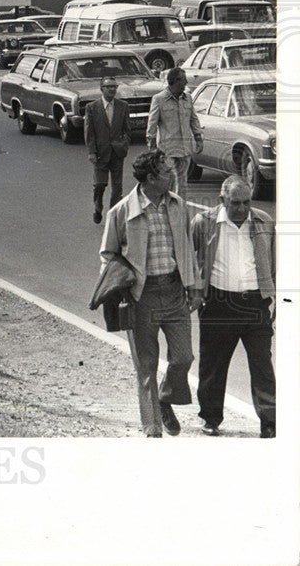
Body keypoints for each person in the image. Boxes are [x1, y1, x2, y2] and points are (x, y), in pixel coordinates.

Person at [100, 150, 202, 438]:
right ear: (150, 179)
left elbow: (185, 248)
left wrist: (193, 287)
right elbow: (107, 255)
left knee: (183, 357)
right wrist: (119, 291)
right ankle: (152, 429)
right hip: (140, 297)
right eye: (166, 172)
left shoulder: (177, 205)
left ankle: (165, 397)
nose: (172, 175)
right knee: (146, 365)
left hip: (173, 292)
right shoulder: (121, 212)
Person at [191, 175, 275, 438]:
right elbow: (191, 260)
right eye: (235, 203)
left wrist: (274, 298)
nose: (241, 209)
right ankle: (211, 418)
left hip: (255, 304)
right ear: (222, 200)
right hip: (218, 303)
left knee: (262, 365)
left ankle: (269, 421)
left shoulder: (264, 222)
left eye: (246, 202)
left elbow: (274, 262)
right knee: (213, 365)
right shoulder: (203, 223)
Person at [145, 67, 203, 198]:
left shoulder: (187, 97)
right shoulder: (159, 99)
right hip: (167, 150)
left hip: (184, 148)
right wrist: (152, 147)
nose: (186, 83)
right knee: (168, 182)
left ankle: (179, 209)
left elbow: (193, 119)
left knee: (182, 183)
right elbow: (152, 124)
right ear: (175, 81)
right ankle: (166, 207)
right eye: (183, 80)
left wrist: (198, 137)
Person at [84, 75, 131, 224]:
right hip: (100, 153)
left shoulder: (123, 106)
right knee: (99, 184)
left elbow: (127, 129)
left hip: (117, 152)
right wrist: (91, 151)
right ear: (101, 89)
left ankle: (113, 215)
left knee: (117, 187)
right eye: (109, 86)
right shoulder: (92, 107)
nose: (112, 89)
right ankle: (98, 206)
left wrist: (124, 144)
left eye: (114, 86)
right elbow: (89, 131)